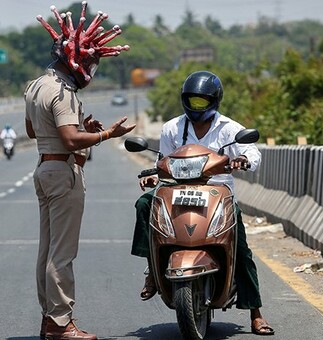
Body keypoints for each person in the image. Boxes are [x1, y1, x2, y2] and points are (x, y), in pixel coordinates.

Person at [130, 70, 274, 336]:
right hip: (176, 190)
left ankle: (256, 313)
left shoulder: (229, 129)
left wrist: (243, 160)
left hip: (217, 193)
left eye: (203, 101)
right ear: (184, 100)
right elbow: (161, 161)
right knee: (144, 204)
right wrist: (153, 176)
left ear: (214, 100)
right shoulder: (172, 128)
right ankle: (152, 269)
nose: (197, 107)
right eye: (192, 101)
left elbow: (252, 151)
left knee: (240, 248)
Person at [24, 3, 135, 340]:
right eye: (89, 62)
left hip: (44, 168)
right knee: (62, 253)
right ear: (78, 61)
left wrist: (82, 127)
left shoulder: (36, 86)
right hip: (62, 173)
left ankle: (49, 318)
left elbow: (33, 132)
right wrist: (105, 135)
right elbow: (71, 140)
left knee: (47, 250)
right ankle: (60, 324)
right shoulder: (63, 92)